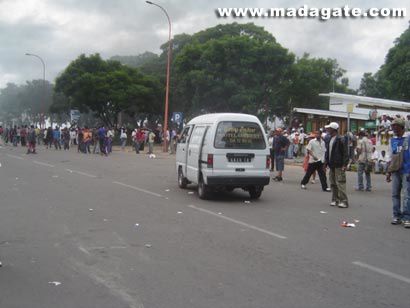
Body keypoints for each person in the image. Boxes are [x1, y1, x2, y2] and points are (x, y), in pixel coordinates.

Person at [386, 118, 410, 227]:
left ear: (401, 127)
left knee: (407, 195)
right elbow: (390, 156)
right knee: (395, 194)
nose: (393, 128)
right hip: (396, 170)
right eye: (392, 126)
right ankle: (396, 216)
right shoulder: (392, 140)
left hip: (407, 170)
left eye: (395, 126)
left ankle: (407, 217)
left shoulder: (409, 138)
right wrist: (388, 171)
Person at [324, 122, 349, 208]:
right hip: (332, 164)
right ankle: (335, 199)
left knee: (340, 183)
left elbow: (346, 153)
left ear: (333, 129)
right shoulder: (330, 139)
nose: (327, 130)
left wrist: (345, 164)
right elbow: (328, 152)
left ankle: (344, 201)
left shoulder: (341, 139)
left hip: (339, 164)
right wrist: (326, 163)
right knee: (333, 183)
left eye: (329, 128)